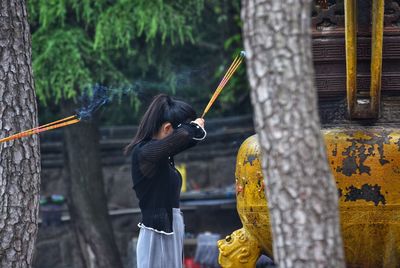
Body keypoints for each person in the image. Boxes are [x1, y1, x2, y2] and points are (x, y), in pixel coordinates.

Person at [125, 94, 207, 268]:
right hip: (157, 233)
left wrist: (195, 128)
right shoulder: (145, 153)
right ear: (168, 128)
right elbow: (184, 135)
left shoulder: (163, 154)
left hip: (171, 227)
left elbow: (186, 139)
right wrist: (192, 128)